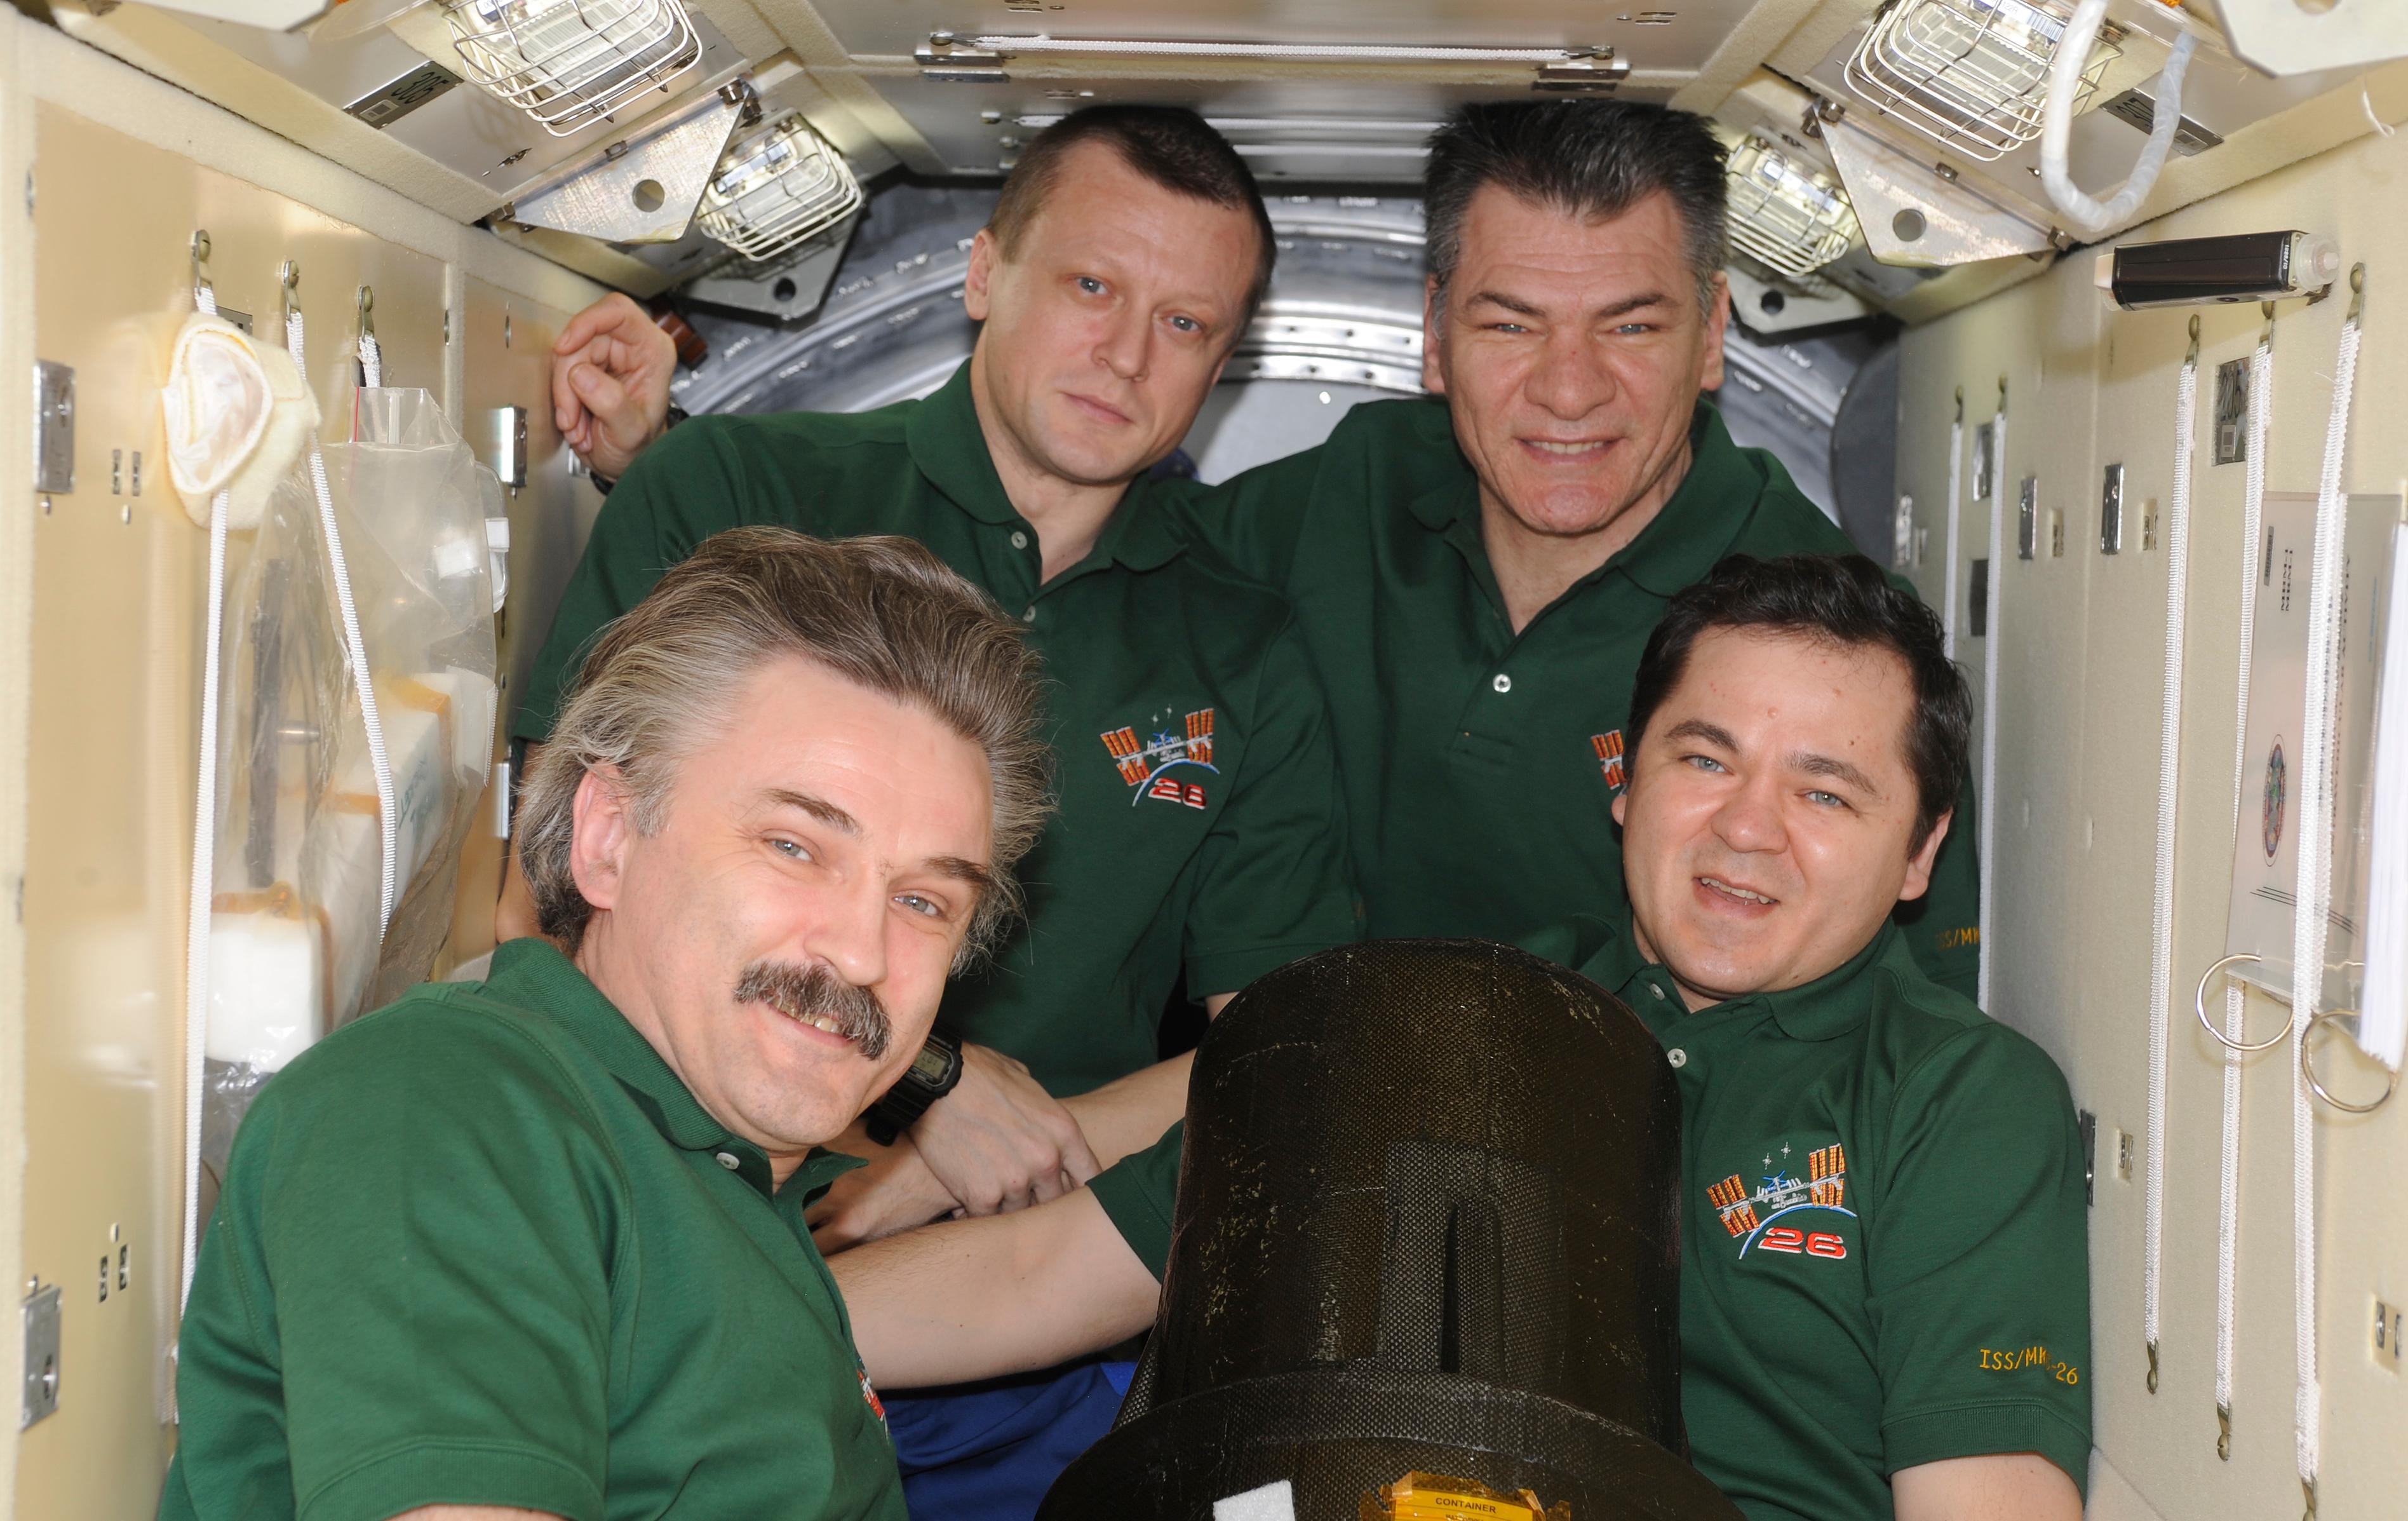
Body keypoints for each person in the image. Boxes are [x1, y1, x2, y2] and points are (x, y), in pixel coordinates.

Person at [835, 555, 2089, 1521]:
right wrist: (725, 1302)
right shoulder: (1448, 1011)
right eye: (1706, 760)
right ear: (1625, 781)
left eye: (1824, 791)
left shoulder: (1956, 1097)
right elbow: (1039, 1274)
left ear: (1920, 852)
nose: (1747, 828)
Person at [507, 104, 1355, 1245]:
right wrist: (927, 1089)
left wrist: (992, 1156)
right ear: (983, 274)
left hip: (1035, 1237)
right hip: (682, 1190)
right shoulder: (732, 493)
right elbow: (547, 898)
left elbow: (1283, 1048)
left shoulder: (1244, 644)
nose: (1127, 355)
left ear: (1223, 357)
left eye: (1185, 322)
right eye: (1091, 286)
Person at [159, 527, 1053, 1521]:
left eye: (924, 901)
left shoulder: (727, 1179)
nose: (862, 952)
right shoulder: (451, 1106)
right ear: (608, 836)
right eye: (795, 846)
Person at [1171, 99, 1984, 997]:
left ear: (1712, 334)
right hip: (1324, 1067)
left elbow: (1908, 1022)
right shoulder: (1348, 490)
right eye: (1511, 326)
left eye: (1630, 327)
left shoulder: (1838, 642)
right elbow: (1097, 585)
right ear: (1436, 335)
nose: (1568, 391)